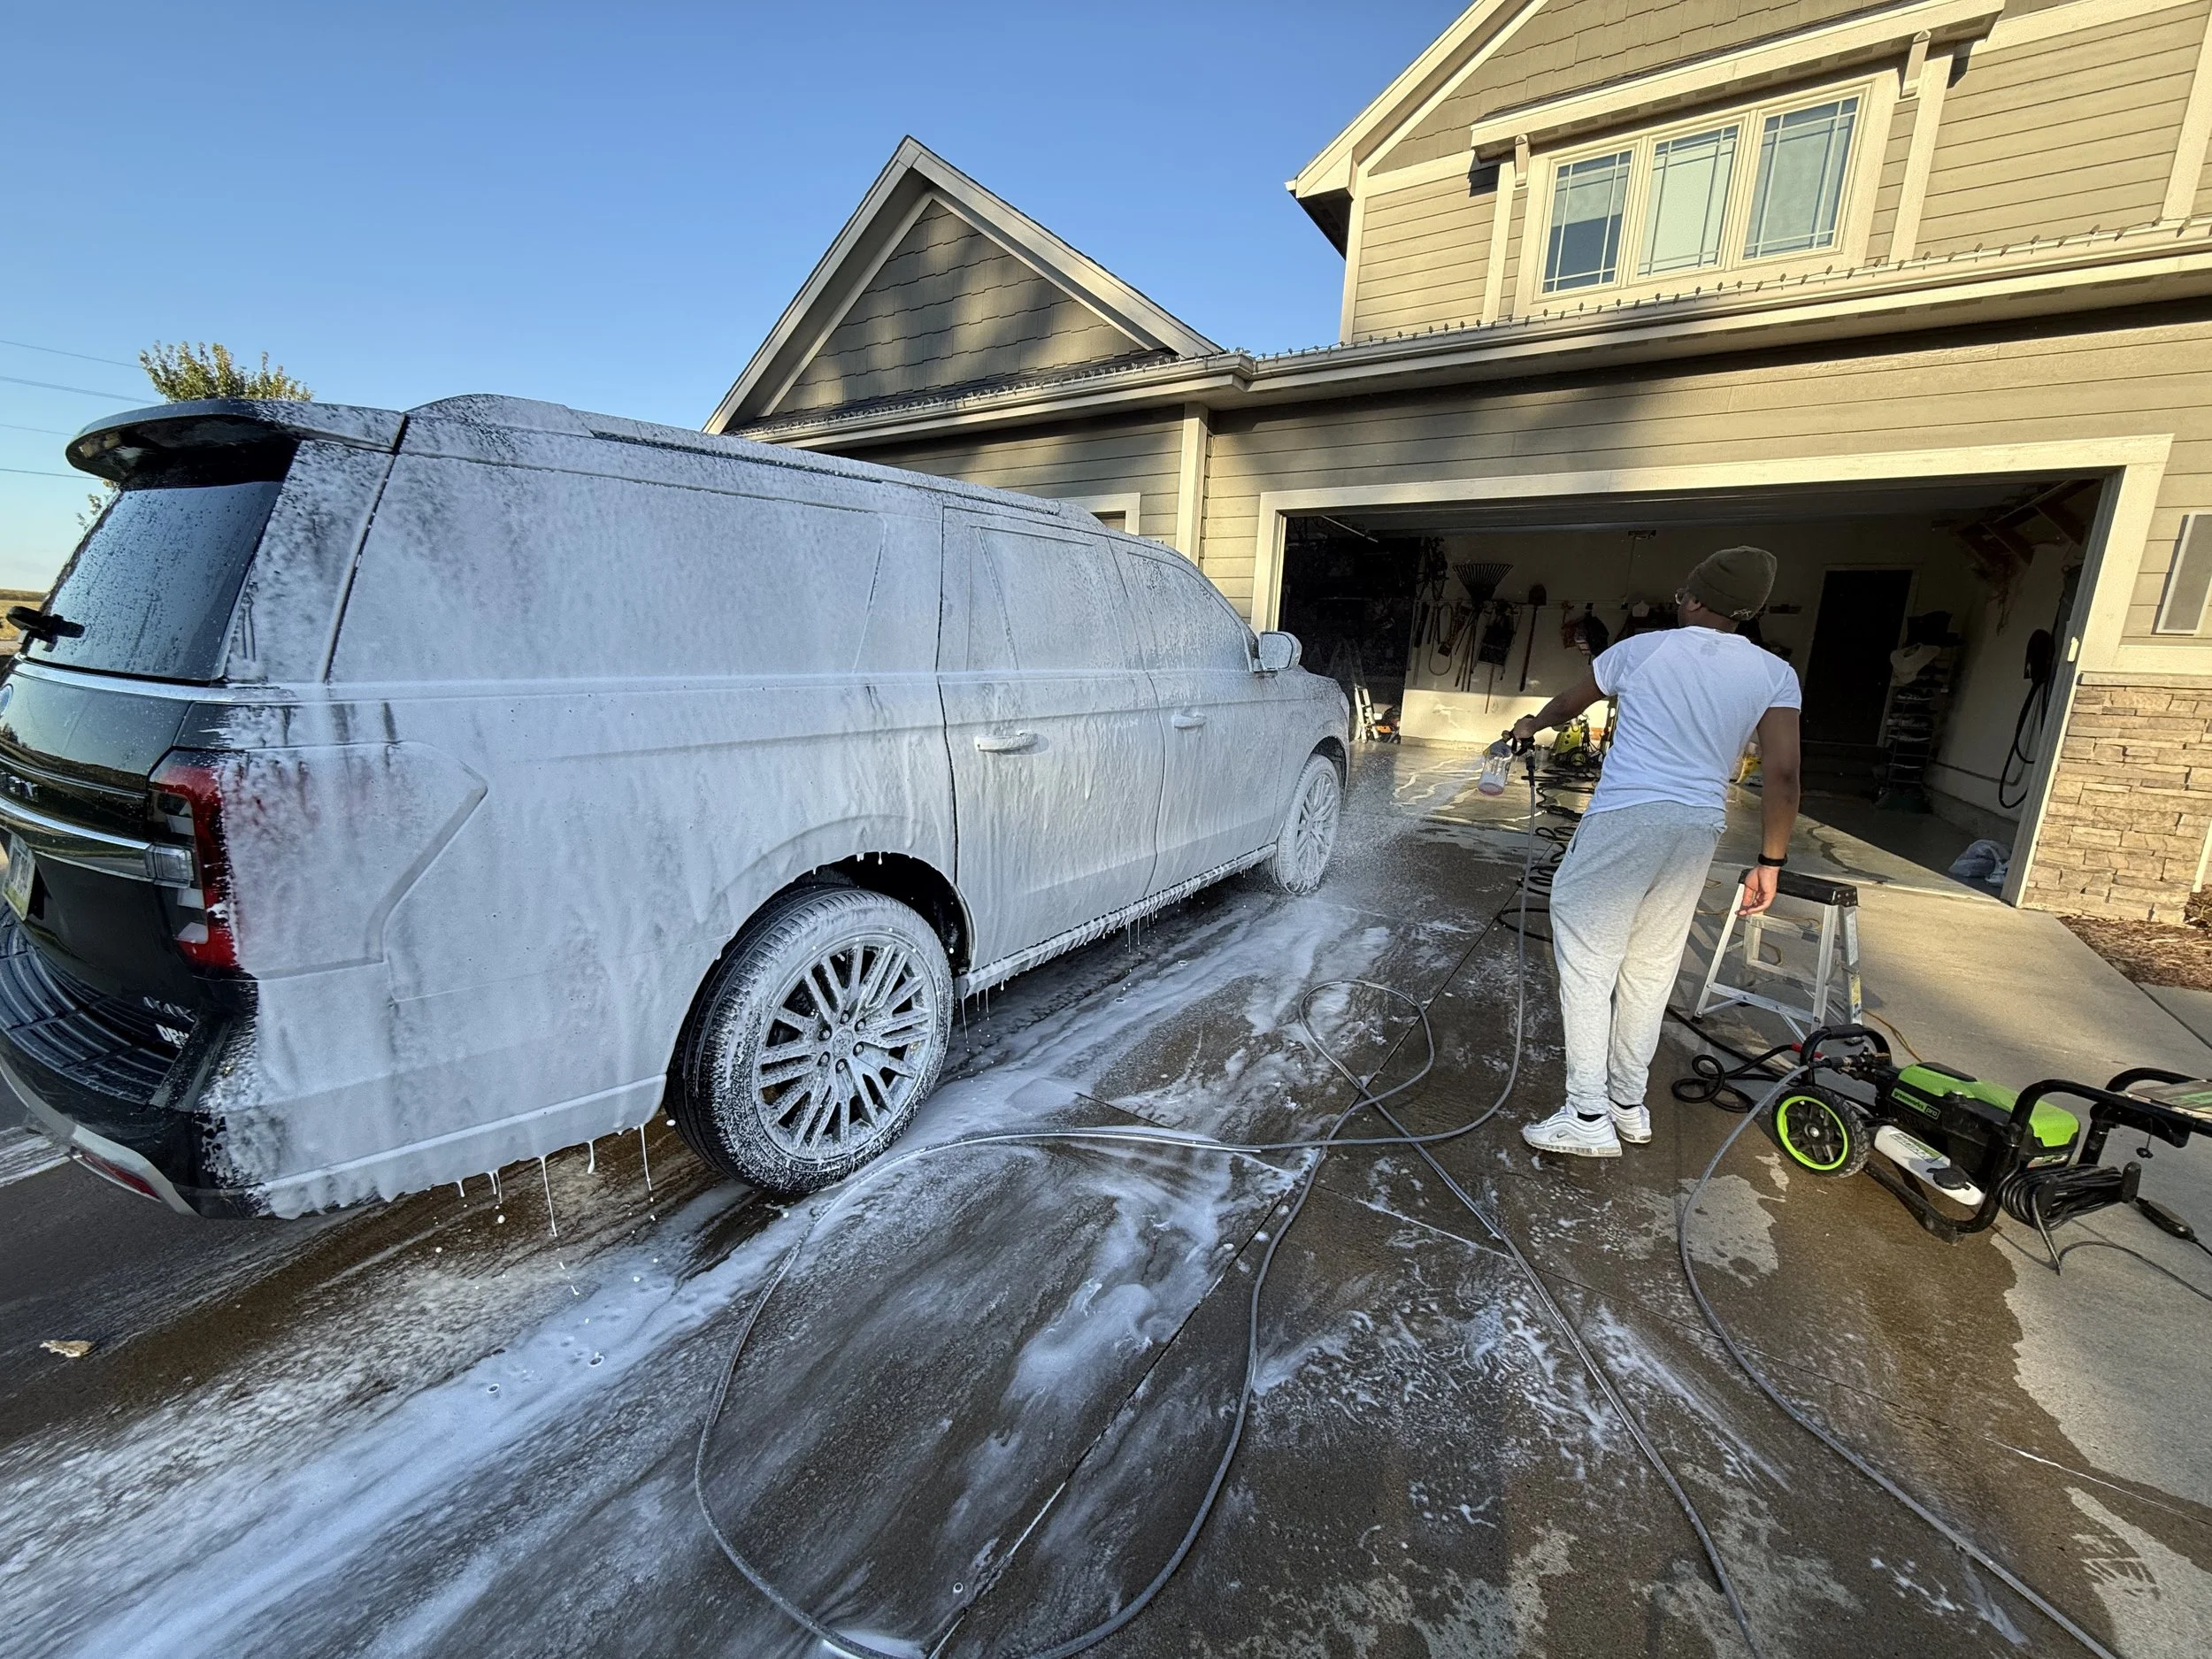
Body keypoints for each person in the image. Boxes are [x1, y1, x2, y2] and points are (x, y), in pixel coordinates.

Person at [1507, 546, 1802, 1158]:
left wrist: (1527, 727)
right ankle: (1626, 1103)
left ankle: (1586, 1113)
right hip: (1698, 826)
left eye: (1682, 595)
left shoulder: (1642, 650)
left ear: (1694, 598)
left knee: (1590, 956)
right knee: (1649, 964)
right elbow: (1784, 773)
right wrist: (1770, 861)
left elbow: (1567, 705)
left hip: (1628, 817)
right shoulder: (1774, 673)